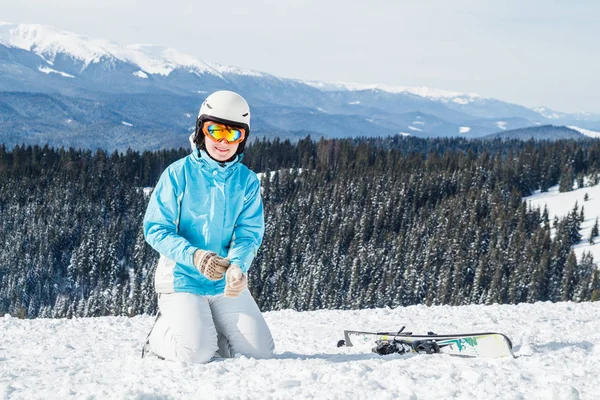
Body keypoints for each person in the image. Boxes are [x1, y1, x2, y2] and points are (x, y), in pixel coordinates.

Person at [142, 90, 274, 363]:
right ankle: (158, 337)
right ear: (201, 131)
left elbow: (248, 234)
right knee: (197, 353)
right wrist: (195, 256)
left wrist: (238, 266)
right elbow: (156, 228)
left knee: (260, 352)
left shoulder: (246, 181)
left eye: (233, 134)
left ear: (243, 139)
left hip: (222, 283)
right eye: (215, 131)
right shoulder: (178, 174)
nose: (223, 142)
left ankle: (210, 329)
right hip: (182, 279)